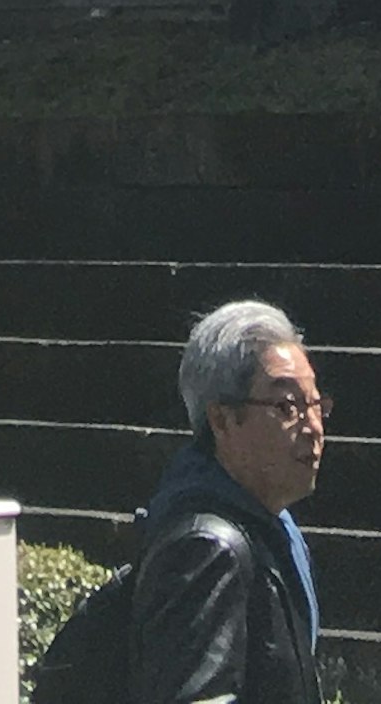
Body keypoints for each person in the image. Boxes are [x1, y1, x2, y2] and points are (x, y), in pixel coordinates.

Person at [127, 299, 329, 704]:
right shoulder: (204, 548)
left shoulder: (270, 525)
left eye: (315, 405)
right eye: (287, 407)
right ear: (220, 420)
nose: (313, 428)